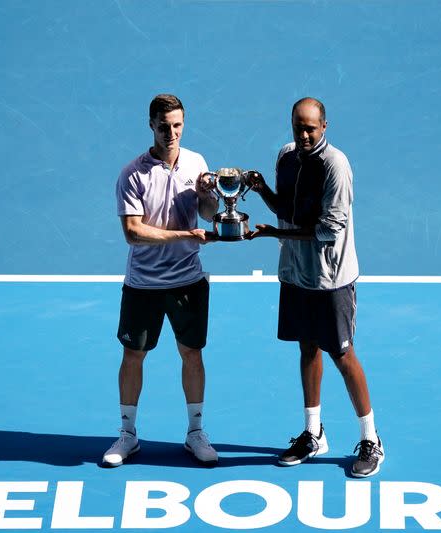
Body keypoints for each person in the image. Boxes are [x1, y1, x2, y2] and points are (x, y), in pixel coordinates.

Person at [247, 97, 384, 477]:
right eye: (298, 127)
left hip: (331, 278)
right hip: (295, 274)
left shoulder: (336, 166)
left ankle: (371, 439)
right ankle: (313, 433)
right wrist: (260, 190)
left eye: (311, 128)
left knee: (342, 355)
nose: (304, 135)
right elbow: (287, 209)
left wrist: (276, 233)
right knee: (307, 348)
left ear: (325, 126)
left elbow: (328, 229)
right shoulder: (285, 157)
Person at [102, 94, 220, 468]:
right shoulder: (132, 173)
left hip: (188, 281)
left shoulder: (197, 163)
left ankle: (196, 433)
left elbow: (208, 212)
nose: (171, 133)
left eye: (177, 125)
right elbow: (133, 233)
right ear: (150, 125)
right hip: (144, 284)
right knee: (133, 356)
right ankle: (128, 434)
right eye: (164, 126)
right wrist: (185, 236)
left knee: (192, 354)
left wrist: (206, 197)